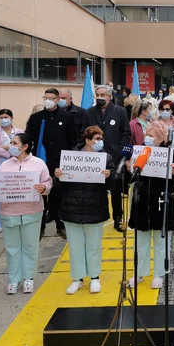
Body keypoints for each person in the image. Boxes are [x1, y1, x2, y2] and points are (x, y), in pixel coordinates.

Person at [0, 133, 52, 295]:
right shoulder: (5, 165)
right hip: (9, 212)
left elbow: (48, 182)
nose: (11, 145)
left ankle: (29, 278)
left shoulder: (38, 163)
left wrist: (43, 188)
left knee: (30, 246)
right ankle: (13, 278)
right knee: (12, 247)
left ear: (25, 147)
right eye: (11, 142)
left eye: (15, 143)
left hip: (32, 211)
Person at [54, 126, 111, 295]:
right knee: (75, 246)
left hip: (95, 207)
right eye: (97, 139)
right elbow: (60, 185)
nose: (100, 142)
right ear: (87, 140)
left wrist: (109, 176)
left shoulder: (106, 158)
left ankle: (94, 277)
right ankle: (77, 278)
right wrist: (58, 176)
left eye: (101, 139)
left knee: (93, 246)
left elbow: (113, 184)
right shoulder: (70, 157)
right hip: (72, 207)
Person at [128, 126, 174, 289]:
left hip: (162, 200)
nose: (147, 137)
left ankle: (160, 273)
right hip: (142, 200)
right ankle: (139, 272)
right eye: (146, 134)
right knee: (141, 242)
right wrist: (128, 169)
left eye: (151, 135)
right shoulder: (140, 152)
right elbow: (130, 178)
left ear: (160, 138)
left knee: (162, 241)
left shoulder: (170, 153)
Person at [26, 88, 77, 239]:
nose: (48, 100)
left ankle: (60, 225)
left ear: (57, 100)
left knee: (59, 195)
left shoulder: (67, 117)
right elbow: (28, 140)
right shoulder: (36, 118)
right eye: (45, 97)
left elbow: (72, 140)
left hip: (60, 163)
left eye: (51, 98)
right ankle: (40, 227)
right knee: (41, 194)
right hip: (40, 162)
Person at [82, 86, 131, 232]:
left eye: (102, 94)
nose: (99, 97)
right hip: (94, 157)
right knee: (95, 188)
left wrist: (118, 149)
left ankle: (117, 218)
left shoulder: (120, 111)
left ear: (109, 96)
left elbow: (126, 133)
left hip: (114, 156)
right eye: (97, 95)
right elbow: (83, 132)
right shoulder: (89, 112)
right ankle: (95, 216)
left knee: (115, 189)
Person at [0, 109, 24, 234]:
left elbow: (22, 147)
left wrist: (5, 146)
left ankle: (12, 218)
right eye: (1, 117)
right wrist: (10, 151)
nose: (3, 119)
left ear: (12, 117)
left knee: (13, 194)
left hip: (15, 166)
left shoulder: (19, 132)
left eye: (6, 116)